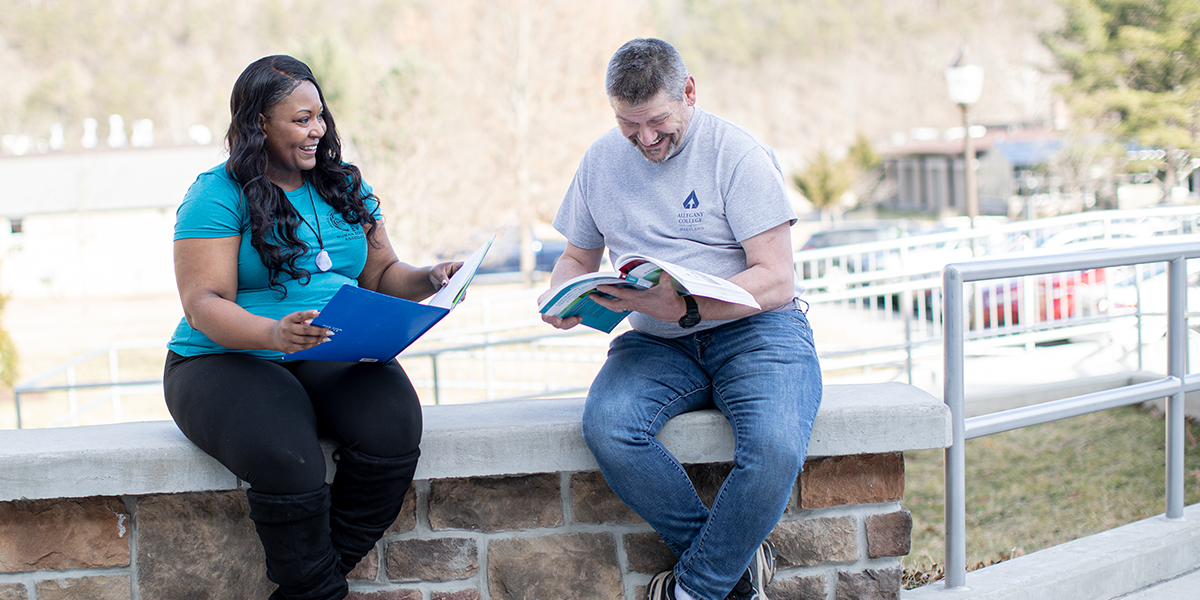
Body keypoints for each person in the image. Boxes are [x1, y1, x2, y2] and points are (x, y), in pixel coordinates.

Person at [164, 55, 460, 600]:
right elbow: (203, 303)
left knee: (393, 430)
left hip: (330, 344)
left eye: (320, 116)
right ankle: (321, 592)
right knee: (289, 459)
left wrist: (430, 279)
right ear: (260, 124)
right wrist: (272, 334)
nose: (318, 130)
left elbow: (382, 274)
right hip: (226, 357)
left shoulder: (343, 184)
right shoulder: (217, 193)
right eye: (301, 120)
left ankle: (308, 588)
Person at [539, 39, 822, 600]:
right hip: (656, 342)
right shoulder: (600, 161)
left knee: (774, 449)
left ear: (689, 92)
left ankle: (694, 590)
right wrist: (563, 292)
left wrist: (689, 306)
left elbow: (776, 277)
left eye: (657, 121)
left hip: (757, 330)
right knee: (610, 427)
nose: (645, 139)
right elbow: (577, 254)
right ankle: (736, 568)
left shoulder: (737, 154)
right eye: (629, 124)